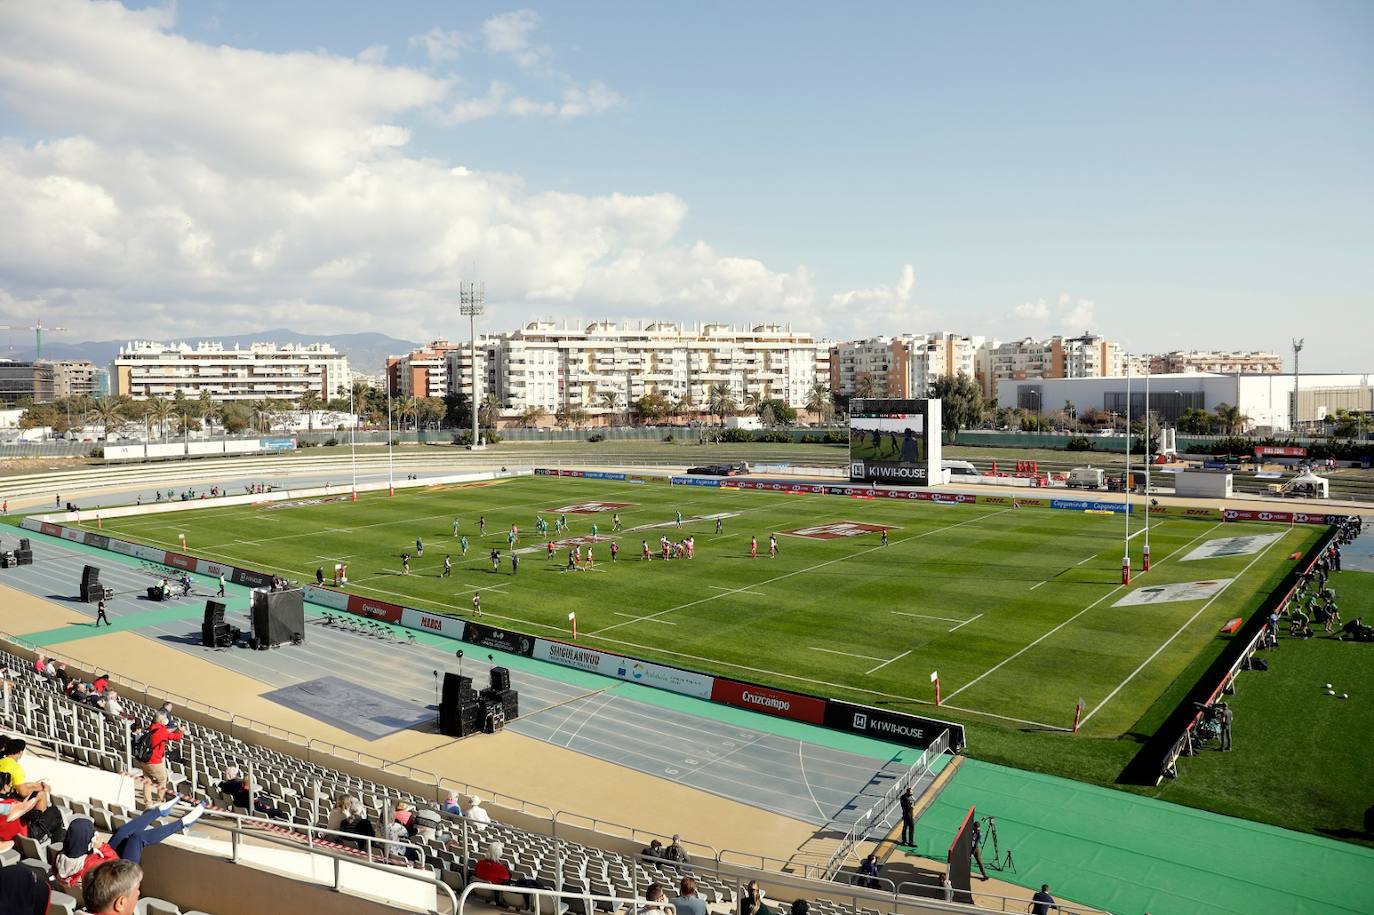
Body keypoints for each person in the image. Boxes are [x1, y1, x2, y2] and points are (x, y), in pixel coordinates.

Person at [108, 799, 206, 863]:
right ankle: (182, 823)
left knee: (121, 832)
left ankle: (160, 811)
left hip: (104, 861)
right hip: (118, 878)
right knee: (137, 838)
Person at [140, 711, 183, 808]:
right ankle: (159, 802)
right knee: (162, 779)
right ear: (161, 720)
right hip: (154, 761)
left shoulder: (150, 728)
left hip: (144, 759)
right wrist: (181, 731)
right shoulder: (161, 731)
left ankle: (148, 803)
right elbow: (176, 737)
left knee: (147, 780)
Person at [472, 840, 514, 906]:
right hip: (492, 891)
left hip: (479, 890)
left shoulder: (479, 864)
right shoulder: (501, 868)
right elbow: (507, 877)